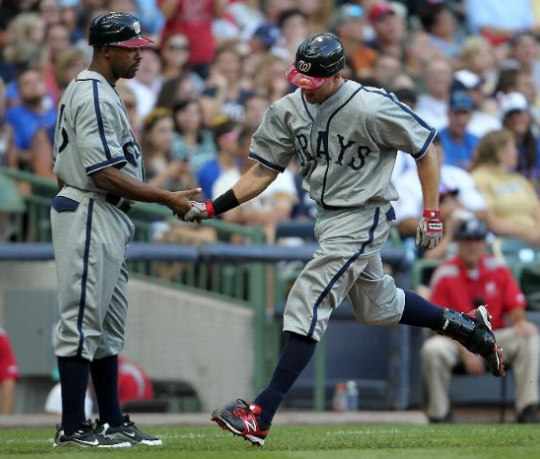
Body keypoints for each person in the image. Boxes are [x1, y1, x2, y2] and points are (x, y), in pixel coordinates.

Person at [182, 32, 505, 447]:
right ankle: (466, 327)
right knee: (377, 306)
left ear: (337, 75)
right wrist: (213, 208)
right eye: (302, 80)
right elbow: (263, 171)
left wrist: (431, 212)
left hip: (363, 212)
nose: (307, 90)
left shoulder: (370, 105)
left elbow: (425, 147)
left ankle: (261, 413)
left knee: (307, 296)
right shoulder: (287, 109)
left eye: (315, 82)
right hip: (326, 216)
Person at [50, 12, 200, 448]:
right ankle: (73, 425)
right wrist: (167, 197)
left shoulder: (102, 91)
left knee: (106, 326)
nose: (140, 56)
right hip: (91, 207)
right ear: (106, 49)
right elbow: (102, 173)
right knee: (80, 322)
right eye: (131, 49)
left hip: (104, 212)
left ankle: (112, 419)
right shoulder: (93, 93)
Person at [421, 217, 540, 423]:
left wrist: (520, 320)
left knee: (529, 336)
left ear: (484, 243)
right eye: (467, 240)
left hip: (494, 339)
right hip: (456, 340)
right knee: (433, 349)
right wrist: (465, 348)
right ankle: (439, 414)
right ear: (458, 243)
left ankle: (527, 409)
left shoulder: (498, 269)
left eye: (477, 239)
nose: (472, 245)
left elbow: (515, 306)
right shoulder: (445, 273)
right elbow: (437, 323)